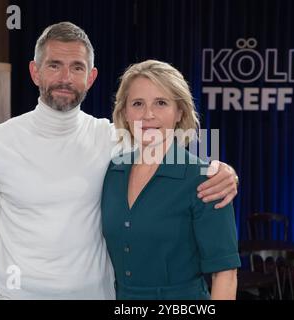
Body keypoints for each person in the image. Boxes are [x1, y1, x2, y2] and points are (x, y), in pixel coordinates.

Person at [0, 22, 239, 300]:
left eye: (77, 67)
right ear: (35, 72)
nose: (65, 78)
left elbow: (169, 149)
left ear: (91, 77)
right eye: (54, 65)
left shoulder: (113, 140)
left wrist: (223, 171)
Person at [101, 60, 240, 300]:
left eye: (161, 103)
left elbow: (225, 275)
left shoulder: (206, 178)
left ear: (180, 113)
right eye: (137, 104)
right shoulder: (112, 171)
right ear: (125, 112)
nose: (148, 115)